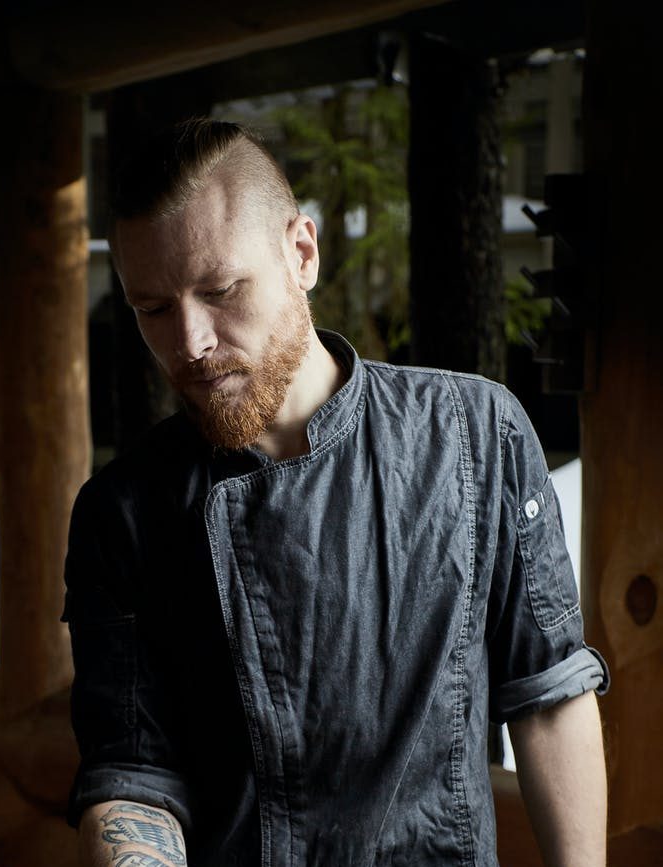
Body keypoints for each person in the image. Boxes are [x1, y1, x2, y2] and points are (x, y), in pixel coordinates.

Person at [62, 118, 609, 867]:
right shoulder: (122, 510)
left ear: (301, 253)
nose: (188, 341)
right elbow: (132, 778)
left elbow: (547, 694)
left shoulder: (476, 430)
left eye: (219, 290)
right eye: (152, 308)